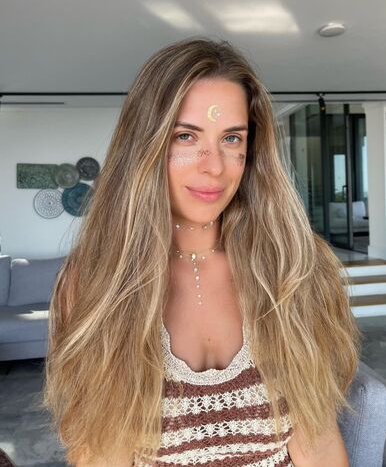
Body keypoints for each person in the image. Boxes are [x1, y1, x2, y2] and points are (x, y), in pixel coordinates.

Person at [43, 37, 362, 466]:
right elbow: (100, 454)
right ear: (145, 145)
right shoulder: (95, 283)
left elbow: (318, 444)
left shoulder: (296, 269)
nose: (214, 165)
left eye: (231, 138)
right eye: (186, 136)